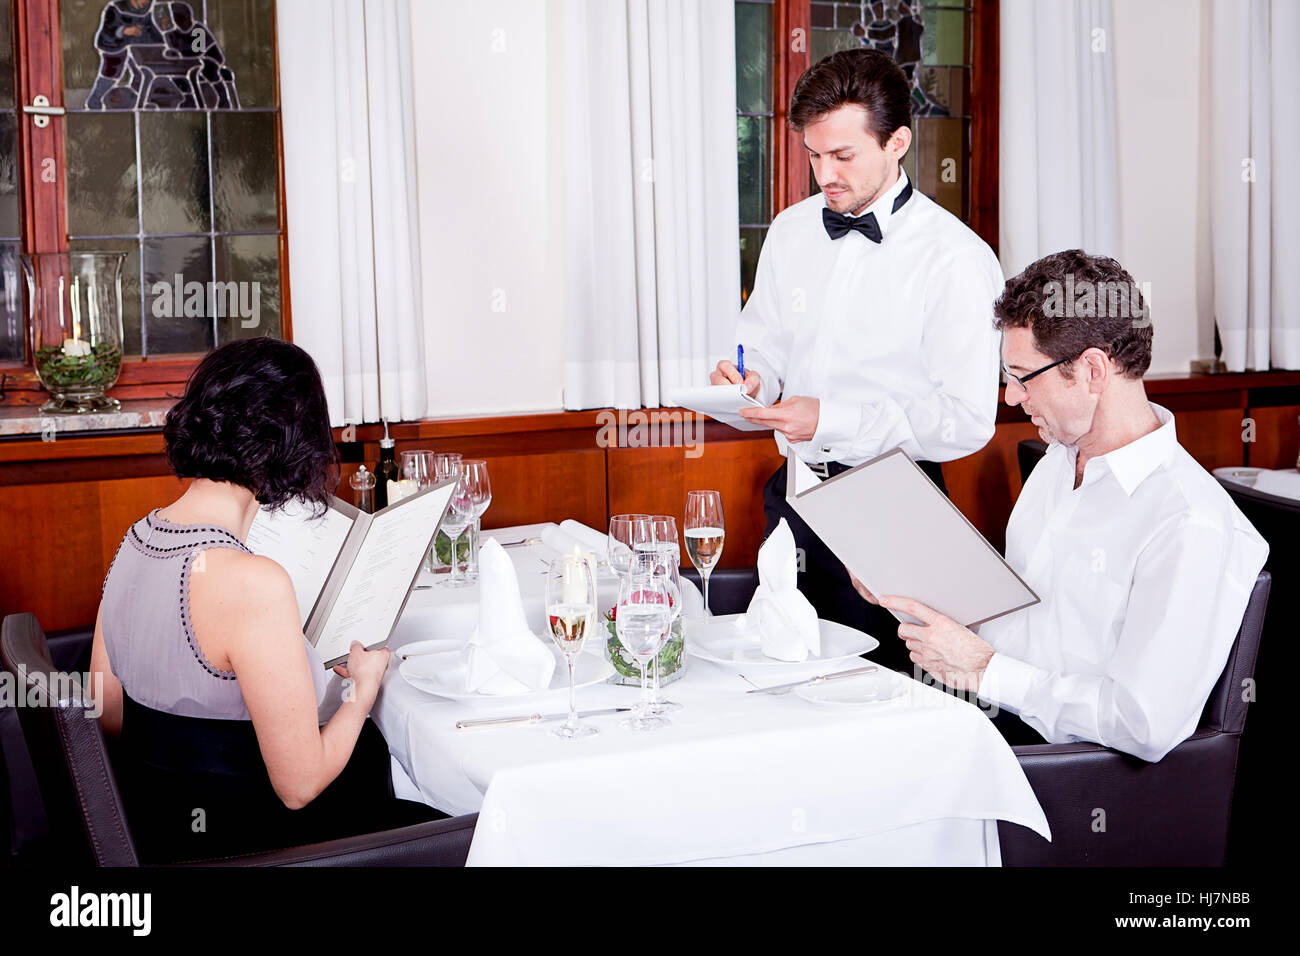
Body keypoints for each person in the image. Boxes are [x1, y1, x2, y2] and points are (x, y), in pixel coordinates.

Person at [862, 250, 1268, 761]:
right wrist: (909, 590)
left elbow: (1142, 721)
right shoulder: (1058, 461)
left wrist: (986, 670)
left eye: (1023, 375)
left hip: (1058, 768)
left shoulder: (1190, 521)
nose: (1011, 397)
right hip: (981, 718)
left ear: (1093, 369)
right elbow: (1021, 627)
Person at [89, 337, 438, 861]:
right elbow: (299, 786)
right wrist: (362, 691)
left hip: (160, 834)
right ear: (293, 445)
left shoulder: (133, 541)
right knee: (454, 812)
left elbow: (109, 713)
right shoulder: (254, 581)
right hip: (255, 845)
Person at [710, 48, 1003, 668]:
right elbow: (763, 339)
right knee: (785, 670)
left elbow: (966, 420)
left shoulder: (955, 259)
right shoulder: (790, 232)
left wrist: (834, 418)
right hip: (792, 491)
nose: (825, 174)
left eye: (843, 156)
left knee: (881, 691)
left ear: (897, 142)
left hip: (894, 505)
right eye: (814, 155)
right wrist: (753, 374)